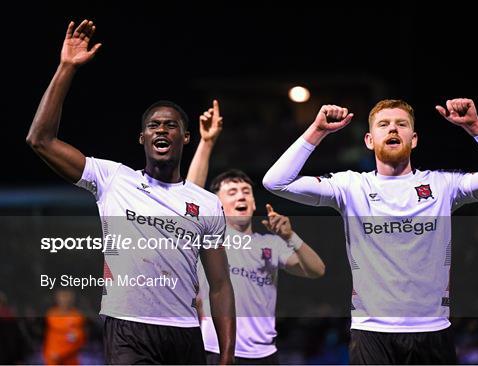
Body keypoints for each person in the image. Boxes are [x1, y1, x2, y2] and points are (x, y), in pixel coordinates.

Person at [26, 19, 235, 364]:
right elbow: (40, 140)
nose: (161, 129)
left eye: (171, 125)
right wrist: (66, 68)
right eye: (153, 125)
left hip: (184, 331)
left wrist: (226, 355)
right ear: (143, 138)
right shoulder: (113, 179)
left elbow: (221, 285)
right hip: (128, 329)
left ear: (185, 138)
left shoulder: (207, 204)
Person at [262, 99, 478, 364]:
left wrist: (475, 126)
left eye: (401, 124)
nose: (393, 129)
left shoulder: (443, 185)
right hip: (372, 332)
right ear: (369, 140)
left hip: (432, 331)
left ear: (413, 140)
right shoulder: (350, 187)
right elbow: (276, 182)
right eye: (384, 124)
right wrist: (317, 131)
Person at [187, 102, 326, 364]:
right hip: (213, 350)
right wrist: (206, 143)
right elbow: (190, 194)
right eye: (231, 192)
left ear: (252, 204)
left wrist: (290, 237)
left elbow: (317, 270)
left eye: (246, 192)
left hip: (264, 355)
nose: (241, 196)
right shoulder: (209, 238)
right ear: (217, 204)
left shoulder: (272, 245)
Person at [43, 289, 86, 365]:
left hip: (70, 359)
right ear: (56, 298)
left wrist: (61, 353)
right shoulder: (51, 314)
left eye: (67, 296)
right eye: (62, 296)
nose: (65, 299)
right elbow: (52, 337)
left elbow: (79, 339)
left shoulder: (78, 316)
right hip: (53, 358)